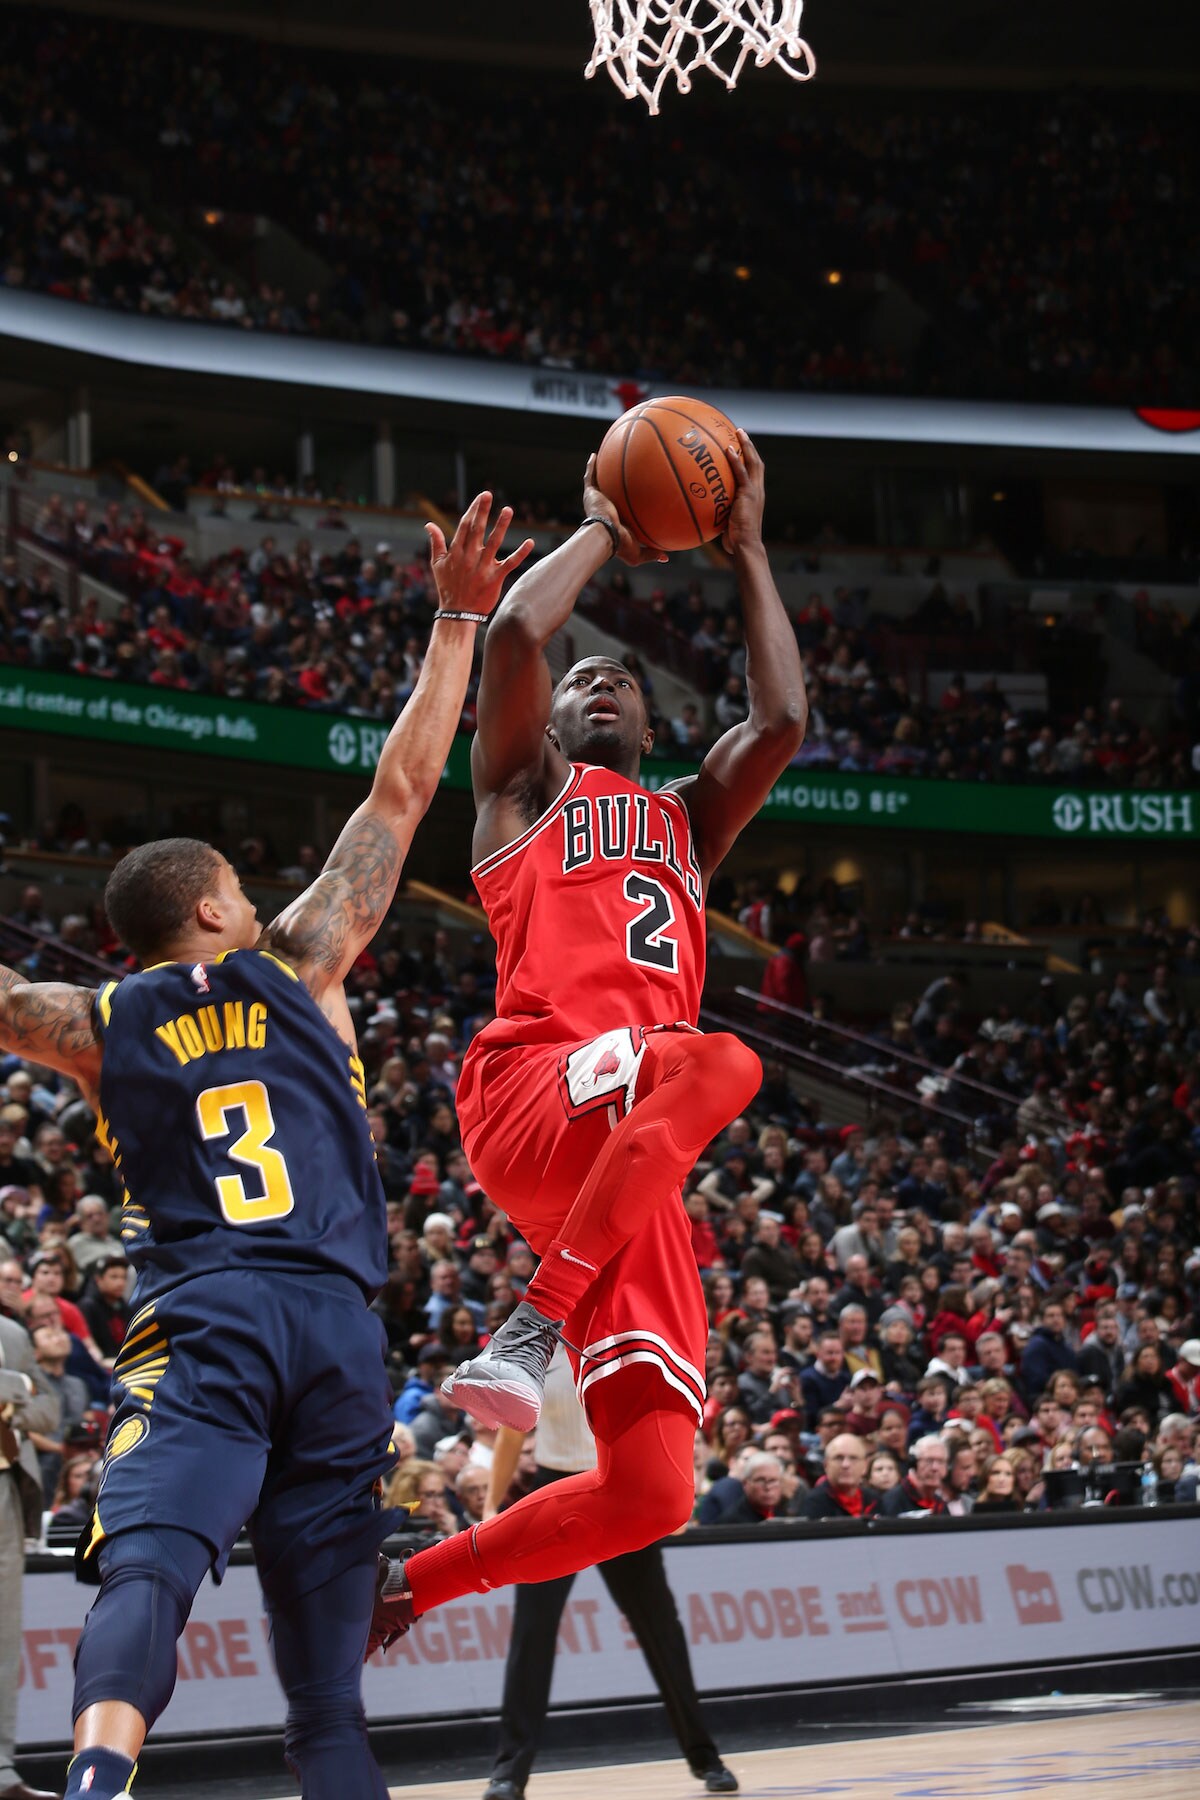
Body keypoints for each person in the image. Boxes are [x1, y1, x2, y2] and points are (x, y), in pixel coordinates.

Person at [0, 495, 533, 1800]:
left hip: (207, 1317)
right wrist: (458, 617)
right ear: (211, 907)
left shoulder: (97, 1020)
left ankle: (97, 1779)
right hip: (339, 1328)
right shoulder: (305, 956)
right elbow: (404, 788)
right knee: (322, 1687)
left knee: (148, 1565)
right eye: (235, 878)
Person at [371, 438, 806, 1643]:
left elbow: (778, 721)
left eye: (622, 681)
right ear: (550, 722)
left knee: (658, 1487)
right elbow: (513, 635)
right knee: (721, 1059)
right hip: (534, 1095)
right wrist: (612, 524)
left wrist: (750, 548)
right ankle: (533, 1325)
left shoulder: (685, 822)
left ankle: (407, 1587)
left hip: (629, 1162)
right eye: (582, 682)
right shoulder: (521, 790)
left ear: (654, 724)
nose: (598, 681)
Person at [480, 1352, 736, 1800]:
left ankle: (705, 1756)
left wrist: (676, 1492)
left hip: (622, 1492)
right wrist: (490, 1504)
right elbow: (511, 1429)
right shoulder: (542, 1339)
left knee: (661, 1630)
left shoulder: (626, 1333)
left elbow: (670, 1415)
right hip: (554, 1494)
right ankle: (509, 1772)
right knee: (532, 1633)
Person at [2, 1308, 63, 1800]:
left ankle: (2, 1771)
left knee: (2, 1636)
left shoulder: (11, 1334)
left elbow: (51, 1412)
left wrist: (10, 1402)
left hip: (5, 1490)